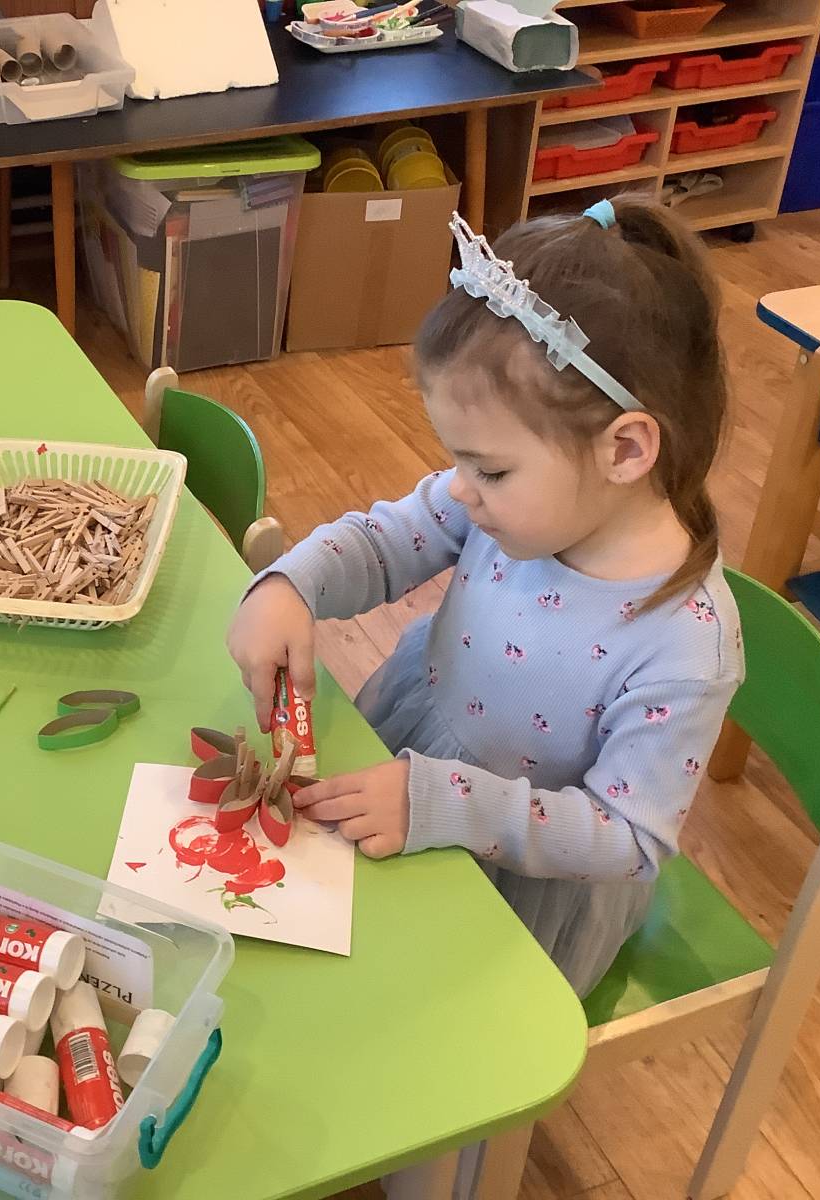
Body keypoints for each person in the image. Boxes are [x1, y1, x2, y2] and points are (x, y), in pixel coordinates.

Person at [228, 198, 744, 1001]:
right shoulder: (511, 504)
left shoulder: (684, 647)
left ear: (625, 449)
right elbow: (386, 539)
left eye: (491, 470)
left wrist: (447, 806)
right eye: (459, 462)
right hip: (409, 759)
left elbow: (627, 838)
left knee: (415, 1023)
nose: (461, 490)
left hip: (520, 876)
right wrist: (292, 583)